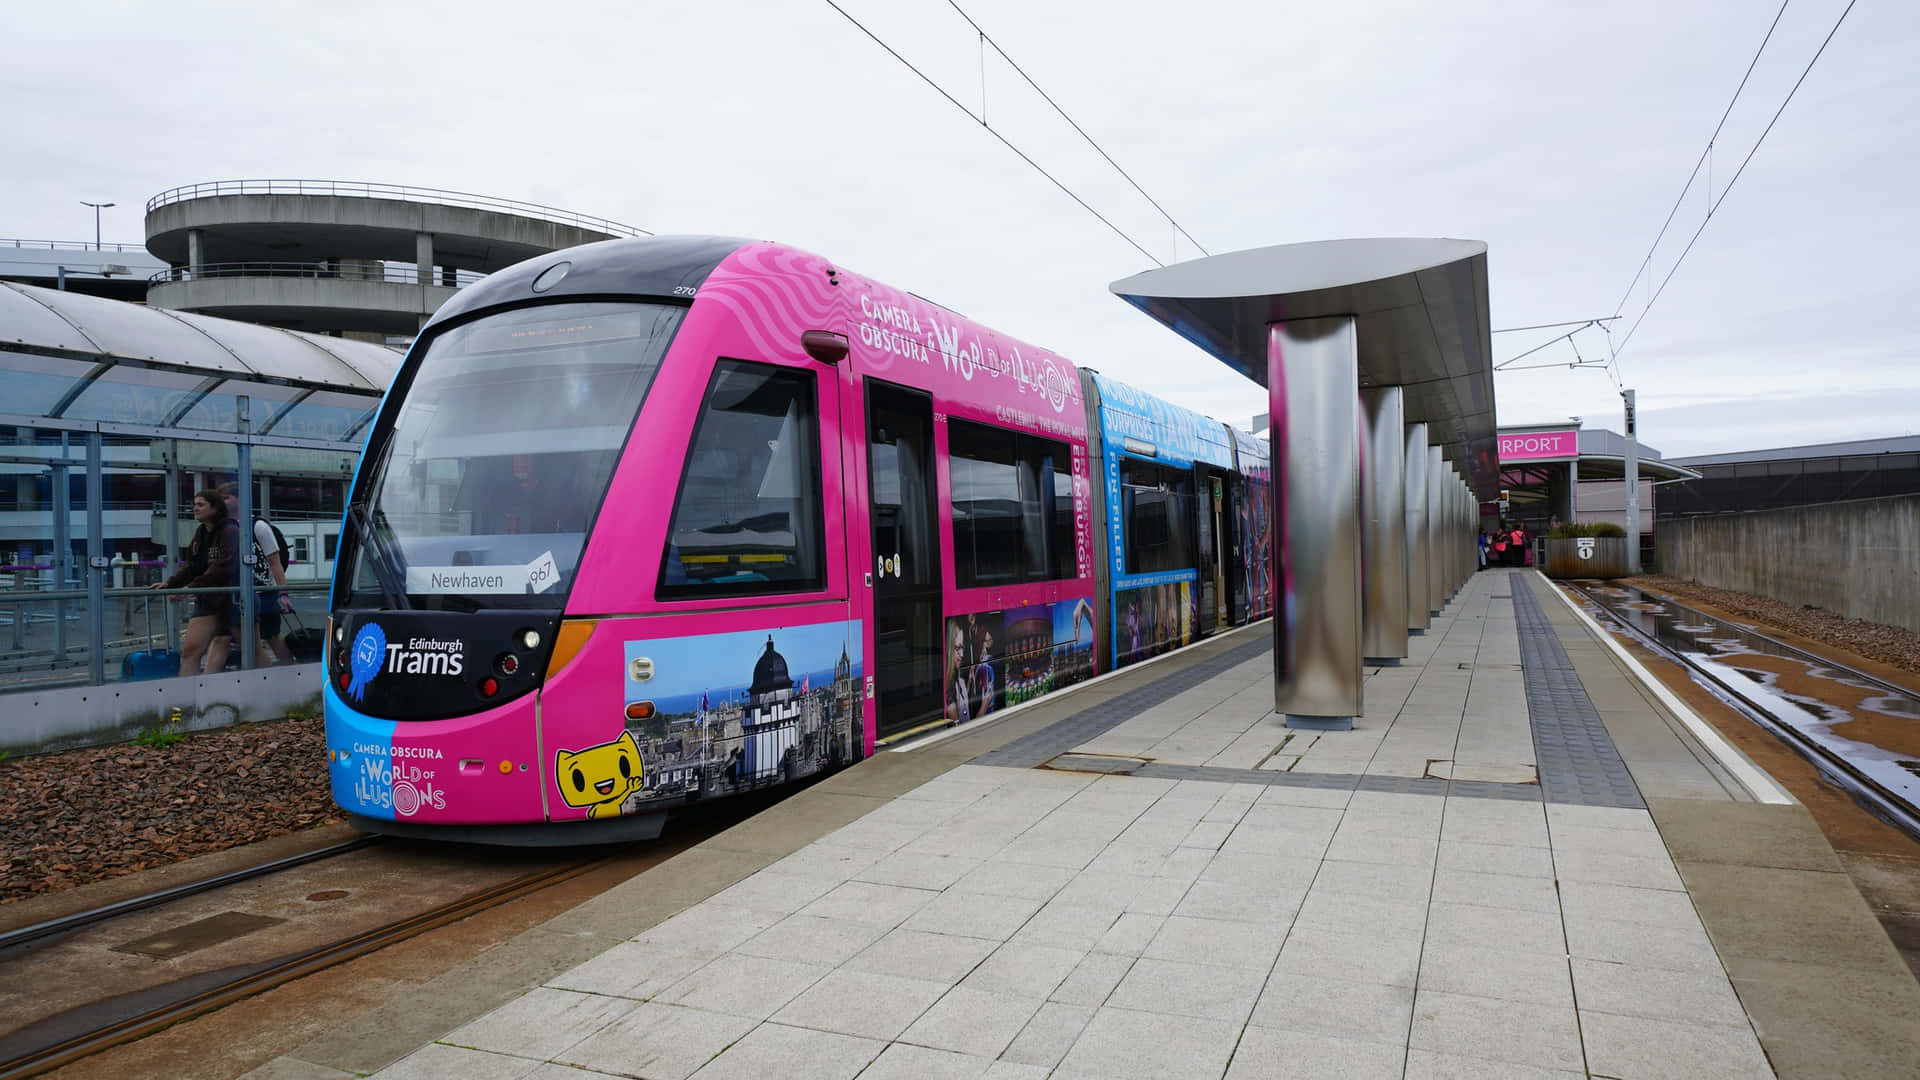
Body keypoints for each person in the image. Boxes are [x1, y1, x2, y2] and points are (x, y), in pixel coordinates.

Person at [154, 490, 241, 676]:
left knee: (246, 648)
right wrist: (171, 584)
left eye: (201, 504)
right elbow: (192, 565)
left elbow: (222, 567)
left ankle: (193, 695)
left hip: (232, 600)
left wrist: (189, 588)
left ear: (215, 507)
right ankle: (194, 695)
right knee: (196, 650)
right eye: (195, 504)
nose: (195, 508)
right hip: (212, 599)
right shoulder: (201, 533)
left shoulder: (230, 531)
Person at [219, 484, 295, 665]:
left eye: (226, 497)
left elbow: (275, 562)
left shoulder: (258, 526)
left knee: (272, 637)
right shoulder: (224, 527)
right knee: (234, 639)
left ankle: (288, 671)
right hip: (237, 594)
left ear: (239, 498)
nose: (223, 502)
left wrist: (283, 593)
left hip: (264, 593)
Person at [945, 620, 971, 724]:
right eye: (957, 648)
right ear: (949, 648)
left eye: (962, 648)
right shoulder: (948, 688)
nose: (962, 654)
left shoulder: (958, 679)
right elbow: (957, 726)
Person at [970, 624, 997, 718]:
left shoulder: (985, 666)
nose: (991, 641)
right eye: (988, 640)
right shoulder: (982, 665)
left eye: (990, 640)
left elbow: (987, 698)